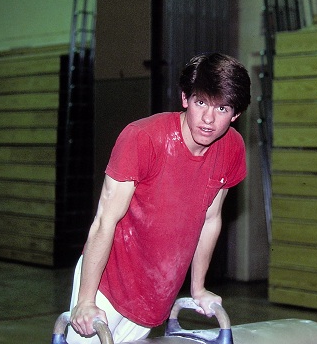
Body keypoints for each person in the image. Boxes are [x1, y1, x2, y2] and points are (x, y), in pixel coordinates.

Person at [66, 52, 251, 343]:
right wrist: (86, 300)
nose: (208, 118)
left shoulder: (232, 148)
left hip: (155, 295)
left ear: (235, 114)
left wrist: (198, 288)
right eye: (201, 102)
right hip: (107, 285)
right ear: (185, 98)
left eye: (222, 108)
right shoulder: (143, 138)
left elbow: (210, 218)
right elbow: (104, 220)